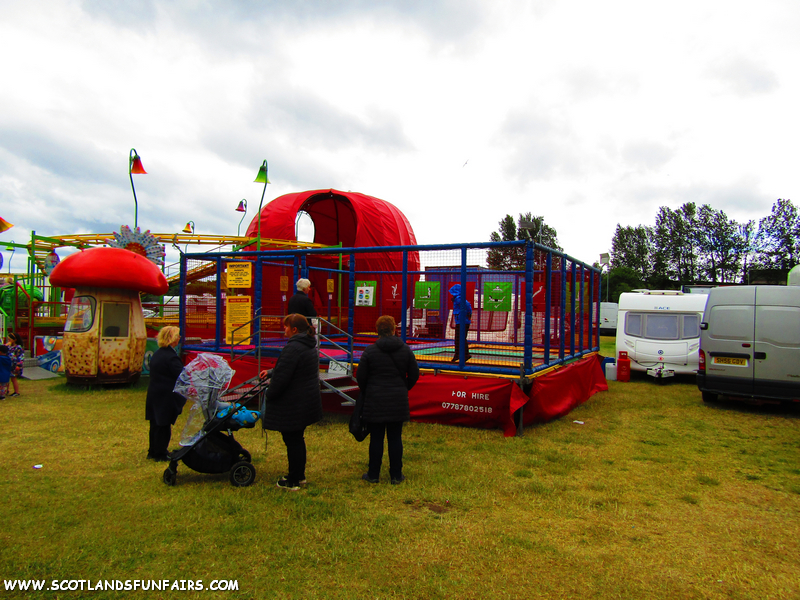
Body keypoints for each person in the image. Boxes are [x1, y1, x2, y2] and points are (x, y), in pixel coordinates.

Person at [260, 313, 323, 490]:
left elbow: (283, 377)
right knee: (296, 439)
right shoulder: (307, 345)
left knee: (293, 440)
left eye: (286, 326)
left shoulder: (293, 348)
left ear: (294, 329)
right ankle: (298, 475)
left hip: (294, 402)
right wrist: (272, 372)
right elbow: (289, 368)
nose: (284, 330)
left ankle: (294, 479)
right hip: (304, 400)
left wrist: (269, 394)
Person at [356, 315, 419, 484]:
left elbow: (360, 377)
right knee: (395, 437)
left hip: (375, 399)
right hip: (397, 399)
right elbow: (414, 374)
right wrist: (403, 387)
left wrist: (369, 390)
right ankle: (396, 475)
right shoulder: (405, 350)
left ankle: (373, 474)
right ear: (394, 330)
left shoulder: (370, 351)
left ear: (377, 331)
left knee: (376, 438)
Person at [145, 326, 186, 461]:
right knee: (163, 425)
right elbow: (181, 375)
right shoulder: (170, 357)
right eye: (178, 336)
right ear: (172, 338)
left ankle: (153, 451)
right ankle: (160, 453)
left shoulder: (158, 354)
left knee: (155, 424)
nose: (179, 338)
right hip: (165, 395)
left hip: (155, 393)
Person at [449, 284, 472, 362]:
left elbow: (468, 305)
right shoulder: (458, 299)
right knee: (459, 338)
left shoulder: (459, 299)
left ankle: (463, 354)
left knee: (460, 338)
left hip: (462, 322)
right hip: (461, 321)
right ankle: (459, 354)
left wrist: (469, 314)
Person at [5, 333, 24, 397]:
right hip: (7, 364)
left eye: (10, 339)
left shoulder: (18, 348)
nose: (8, 340)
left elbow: (21, 357)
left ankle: (16, 392)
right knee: (5, 378)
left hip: (14, 365)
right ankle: (5, 390)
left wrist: (18, 365)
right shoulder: (8, 346)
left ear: (15, 340)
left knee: (13, 378)